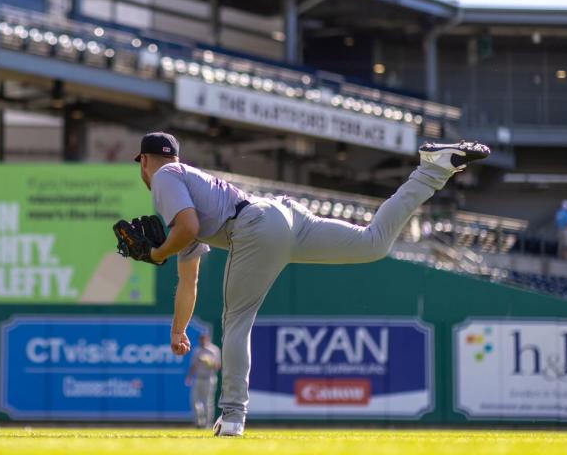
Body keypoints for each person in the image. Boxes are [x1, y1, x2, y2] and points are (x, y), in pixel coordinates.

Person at [133, 132, 490, 437]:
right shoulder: (188, 182)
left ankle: (232, 416)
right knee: (374, 243)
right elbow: (189, 275)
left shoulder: (165, 176)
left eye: (141, 164)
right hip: (284, 217)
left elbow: (188, 231)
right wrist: (179, 330)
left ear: (145, 161)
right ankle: (431, 170)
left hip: (255, 226)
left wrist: (158, 252)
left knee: (237, 320)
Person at [186, 333, 221, 428]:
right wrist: (189, 376)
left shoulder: (214, 350)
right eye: (201, 339)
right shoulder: (197, 350)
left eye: (204, 338)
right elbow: (193, 366)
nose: (202, 340)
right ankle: (198, 422)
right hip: (198, 378)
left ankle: (208, 424)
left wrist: (209, 362)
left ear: (208, 339)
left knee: (207, 402)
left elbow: (218, 366)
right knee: (194, 401)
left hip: (209, 378)